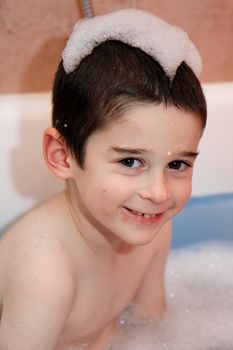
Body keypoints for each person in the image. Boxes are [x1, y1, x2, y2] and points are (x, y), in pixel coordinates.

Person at [0, 8, 207, 350]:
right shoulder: (46, 273)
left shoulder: (152, 225)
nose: (159, 192)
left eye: (178, 165)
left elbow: (154, 322)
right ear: (62, 156)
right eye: (130, 161)